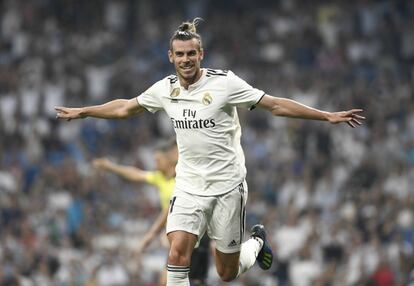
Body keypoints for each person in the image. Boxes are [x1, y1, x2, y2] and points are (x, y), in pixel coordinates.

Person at [55, 18, 365, 285]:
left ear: (201, 54)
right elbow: (125, 108)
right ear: (170, 57)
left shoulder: (225, 84)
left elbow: (275, 105)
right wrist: (86, 111)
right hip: (189, 185)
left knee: (226, 272)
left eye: (191, 53)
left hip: (227, 186)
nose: (186, 59)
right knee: (176, 250)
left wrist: (326, 115)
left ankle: (256, 243)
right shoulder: (165, 89)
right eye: (180, 54)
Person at [92, 139, 210, 286]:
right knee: (167, 281)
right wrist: (111, 167)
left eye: (158, 159)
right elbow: (136, 174)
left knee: (193, 280)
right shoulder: (160, 178)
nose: (155, 163)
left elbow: (168, 211)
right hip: (176, 238)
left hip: (191, 236)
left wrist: (150, 236)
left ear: (168, 160)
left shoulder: (182, 179)